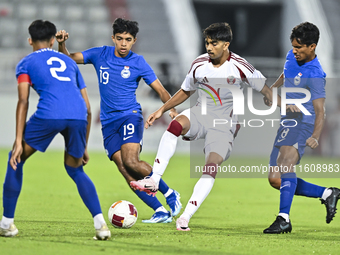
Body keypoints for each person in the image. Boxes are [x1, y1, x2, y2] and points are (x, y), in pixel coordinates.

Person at [130, 22, 275, 231]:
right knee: (174, 126)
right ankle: (154, 180)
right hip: (200, 114)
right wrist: (162, 109)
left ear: (226, 44)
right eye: (207, 43)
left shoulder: (240, 65)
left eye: (214, 43)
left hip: (224, 124)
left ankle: (185, 217)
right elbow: (185, 90)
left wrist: (278, 102)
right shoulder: (199, 63)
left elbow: (264, 88)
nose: (209, 47)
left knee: (210, 167)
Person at [56, 18, 181, 223]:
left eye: (128, 40)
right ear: (113, 38)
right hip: (108, 123)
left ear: (134, 41)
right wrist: (61, 43)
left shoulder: (138, 62)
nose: (123, 44)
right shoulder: (100, 54)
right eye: (120, 39)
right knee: (124, 169)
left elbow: (160, 90)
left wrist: (171, 109)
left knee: (131, 161)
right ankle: (159, 210)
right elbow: (68, 58)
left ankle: (170, 194)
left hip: (129, 115)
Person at [0, 20, 110, 240]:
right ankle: (101, 226)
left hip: (49, 114)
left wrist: (18, 140)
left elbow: (23, 101)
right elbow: (88, 107)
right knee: (76, 170)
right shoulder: (69, 63)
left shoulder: (25, 63)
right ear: (52, 40)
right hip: (78, 115)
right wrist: (84, 144)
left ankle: (6, 224)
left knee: (16, 159)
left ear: (30, 40)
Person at [263, 22, 340, 234]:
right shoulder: (292, 56)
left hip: (303, 123)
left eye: (299, 47)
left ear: (312, 46)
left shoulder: (315, 74)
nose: (294, 51)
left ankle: (283, 219)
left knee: (286, 164)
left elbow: (320, 109)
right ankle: (327, 194)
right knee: (275, 179)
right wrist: (273, 88)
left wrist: (315, 135)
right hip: (286, 122)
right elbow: (286, 72)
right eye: (293, 46)